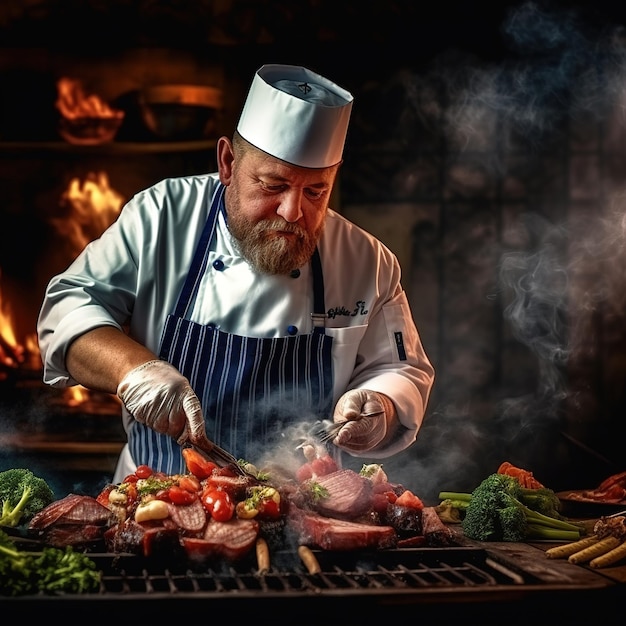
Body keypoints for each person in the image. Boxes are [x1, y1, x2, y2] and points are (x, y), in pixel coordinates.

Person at [37, 64, 435, 482]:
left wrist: (382, 404)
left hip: (307, 514)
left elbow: (401, 369)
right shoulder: (160, 217)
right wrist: (132, 370)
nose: (293, 212)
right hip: (155, 501)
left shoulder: (366, 261)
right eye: (272, 185)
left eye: (315, 191)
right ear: (227, 162)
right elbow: (67, 309)